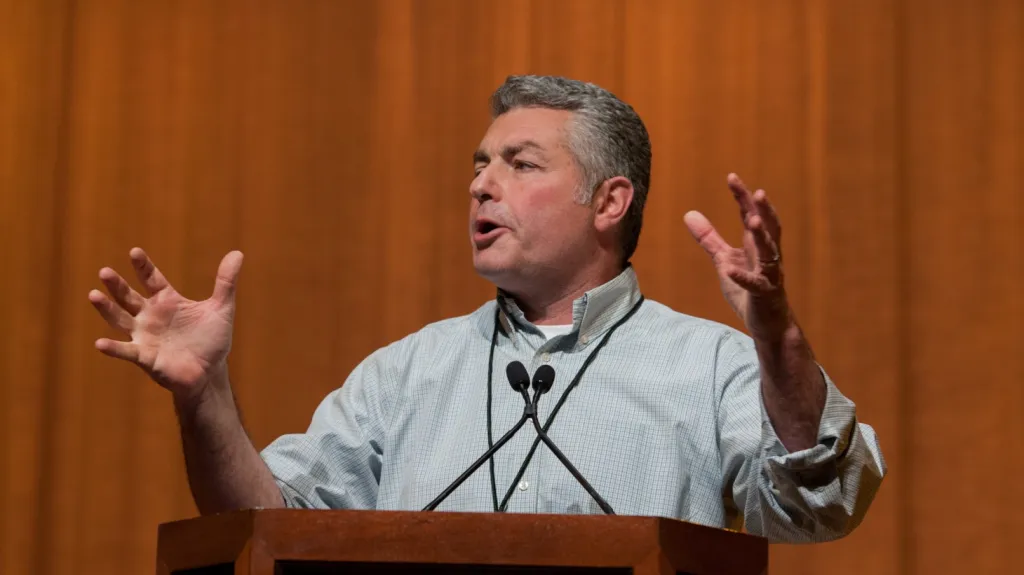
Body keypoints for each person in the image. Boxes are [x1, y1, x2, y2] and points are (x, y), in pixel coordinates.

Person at [89, 75, 885, 543]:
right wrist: (206, 396)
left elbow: (823, 501)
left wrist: (776, 338)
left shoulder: (707, 364)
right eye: (479, 165)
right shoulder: (406, 372)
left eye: (520, 163)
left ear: (610, 201)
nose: (480, 184)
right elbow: (268, 528)